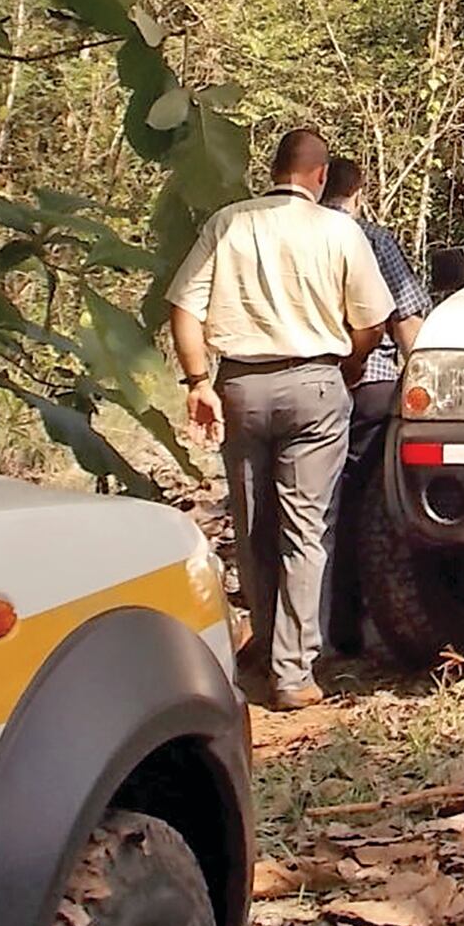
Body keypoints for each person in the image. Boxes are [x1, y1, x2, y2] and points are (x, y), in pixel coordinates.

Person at [167, 129, 393, 710]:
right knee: (306, 527)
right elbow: (370, 321)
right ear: (321, 176)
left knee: (253, 522)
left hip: (240, 383)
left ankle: (266, 649)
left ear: (273, 169)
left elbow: (183, 307)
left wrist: (197, 381)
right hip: (316, 381)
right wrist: (353, 359)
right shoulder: (340, 229)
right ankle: (293, 672)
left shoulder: (230, 223)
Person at [321, 156, 432, 656]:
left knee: (305, 507)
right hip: (371, 382)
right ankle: (348, 623)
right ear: (358, 191)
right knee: (362, 508)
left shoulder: (289, 235)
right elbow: (404, 320)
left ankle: (305, 628)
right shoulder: (370, 238)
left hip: (304, 380)